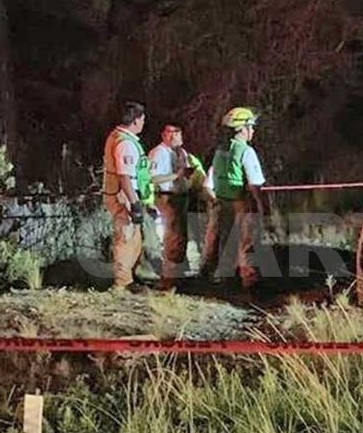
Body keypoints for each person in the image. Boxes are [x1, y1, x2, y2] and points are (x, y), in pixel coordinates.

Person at [200, 107, 269, 291]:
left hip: (221, 203)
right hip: (241, 202)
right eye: (251, 126)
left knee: (221, 240)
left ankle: (218, 278)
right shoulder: (246, 152)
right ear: (243, 128)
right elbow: (255, 185)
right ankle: (249, 282)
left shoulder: (219, 152)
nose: (252, 131)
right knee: (247, 243)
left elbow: (207, 184)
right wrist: (262, 208)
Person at [147, 124, 206, 291]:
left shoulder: (181, 153)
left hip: (181, 197)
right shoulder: (158, 153)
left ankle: (177, 275)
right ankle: (169, 279)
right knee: (173, 239)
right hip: (168, 197)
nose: (180, 136)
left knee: (180, 238)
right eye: (177, 133)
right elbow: (152, 178)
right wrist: (176, 176)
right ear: (167, 134)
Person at [101, 101, 152, 291]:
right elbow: (125, 175)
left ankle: (128, 278)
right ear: (136, 120)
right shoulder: (125, 143)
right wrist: (135, 202)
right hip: (124, 195)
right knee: (126, 237)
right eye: (142, 119)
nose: (144, 123)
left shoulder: (117, 137)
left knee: (132, 238)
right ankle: (122, 283)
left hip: (122, 193)